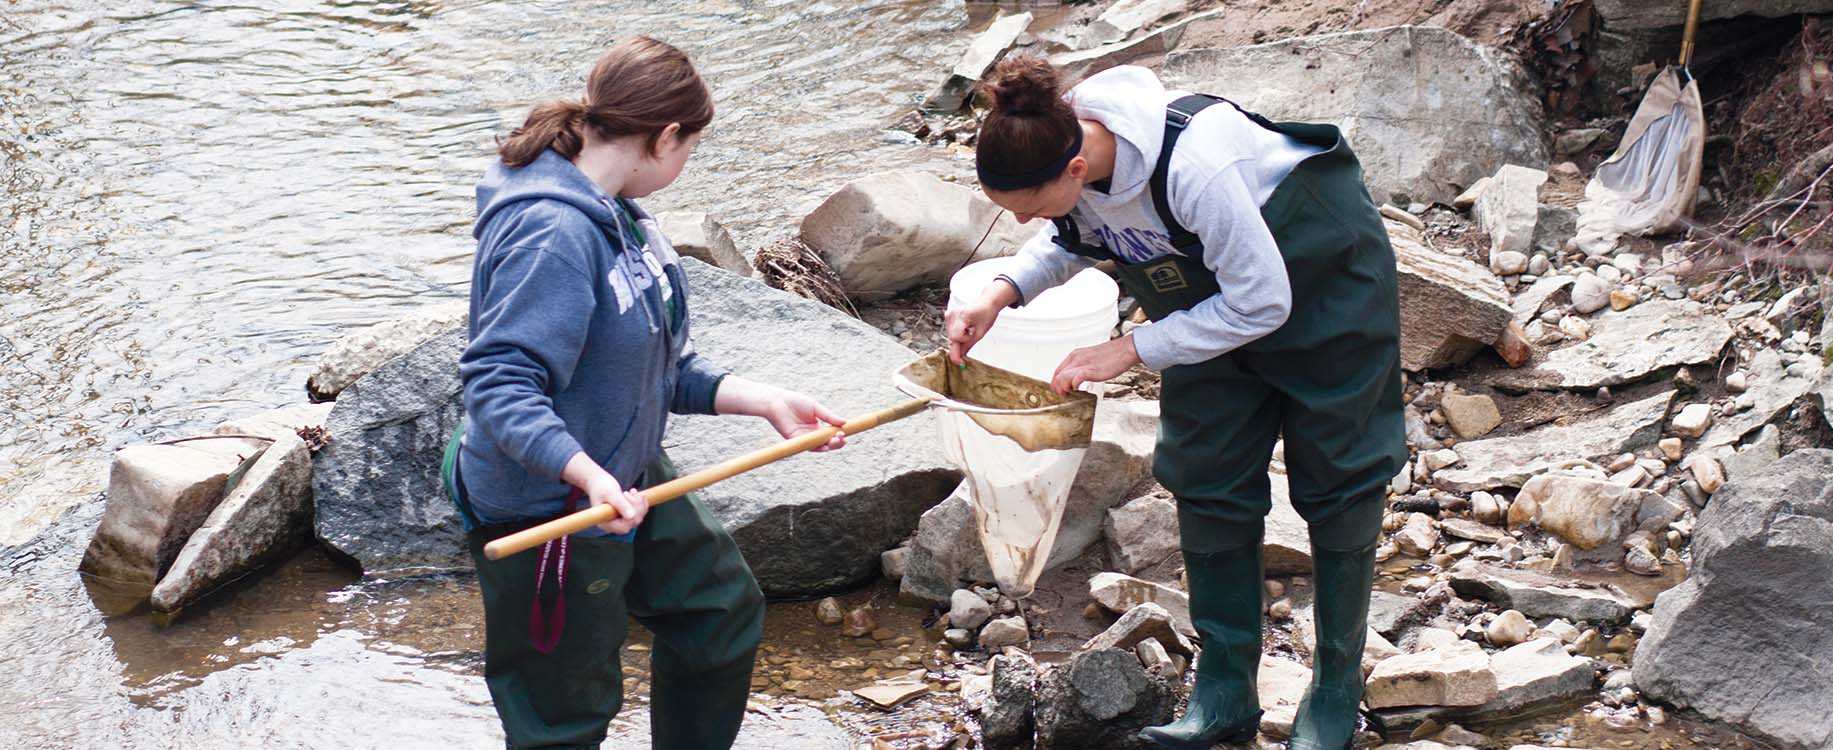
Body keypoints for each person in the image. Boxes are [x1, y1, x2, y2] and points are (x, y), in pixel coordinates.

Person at [945, 57, 1407, 750]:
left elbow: (1263, 301)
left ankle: (1336, 688)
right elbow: (1067, 234)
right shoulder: (1071, 149)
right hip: (1210, 304)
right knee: (1206, 470)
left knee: (1340, 476)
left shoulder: (1197, 165)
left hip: (1321, 285)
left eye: (1027, 205)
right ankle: (1224, 691)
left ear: (1074, 170)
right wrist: (1003, 290)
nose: (1023, 220)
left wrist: (1128, 349)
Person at [440, 37, 847, 750]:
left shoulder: (623, 212)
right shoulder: (553, 233)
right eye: (690, 147)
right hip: (550, 504)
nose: (686, 164)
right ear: (664, 137)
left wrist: (761, 398)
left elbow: (657, 362)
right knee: (564, 715)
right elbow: (498, 387)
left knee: (717, 608)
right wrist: (589, 477)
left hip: (619, 469)